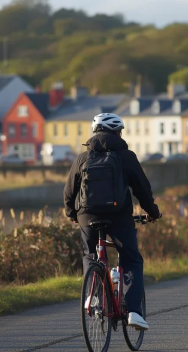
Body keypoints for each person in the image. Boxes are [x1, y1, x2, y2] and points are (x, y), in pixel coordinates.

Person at [64, 113, 161, 330]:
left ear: (95, 132)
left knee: (91, 255)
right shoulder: (126, 157)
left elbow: (69, 191)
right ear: (118, 133)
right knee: (130, 259)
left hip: (87, 216)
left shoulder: (82, 158)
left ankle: (93, 296)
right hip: (119, 216)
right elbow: (142, 189)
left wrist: (72, 214)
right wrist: (152, 212)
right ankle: (134, 311)